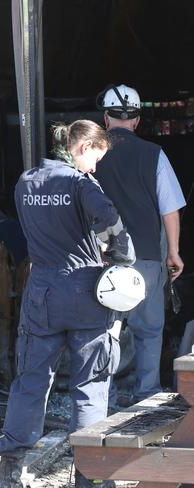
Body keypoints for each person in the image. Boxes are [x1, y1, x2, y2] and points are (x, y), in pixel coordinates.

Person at [0, 120, 136, 488]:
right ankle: (89, 475)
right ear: (84, 147)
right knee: (90, 383)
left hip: (41, 291)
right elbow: (109, 219)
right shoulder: (80, 183)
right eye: (97, 157)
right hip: (86, 293)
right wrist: (122, 257)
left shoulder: (27, 182)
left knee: (31, 380)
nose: (95, 167)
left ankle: (9, 466)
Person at [95, 84, 186, 404]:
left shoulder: (89, 155)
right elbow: (170, 207)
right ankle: (146, 392)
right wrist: (173, 251)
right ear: (136, 120)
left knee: (104, 330)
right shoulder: (154, 155)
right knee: (148, 328)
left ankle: (102, 394)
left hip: (100, 259)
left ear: (106, 118)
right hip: (145, 255)